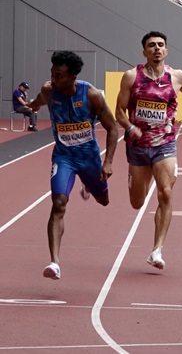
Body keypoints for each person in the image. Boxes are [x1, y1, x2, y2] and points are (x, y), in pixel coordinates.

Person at [115, 31, 182, 270]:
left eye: (160, 45)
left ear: (166, 51)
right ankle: (136, 181)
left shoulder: (177, 77)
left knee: (166, 194)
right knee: (137, 203)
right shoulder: (131, 77)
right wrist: (129, 128)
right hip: (138, 147)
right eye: (151, 45)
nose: (156, 48)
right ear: (144, 52)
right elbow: (118, 110)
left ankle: (157, 250)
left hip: (165, 144)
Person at [27, 51, 119, 280]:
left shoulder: (92, 95)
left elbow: (113, 128)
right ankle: (55, 263)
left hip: (89, 159)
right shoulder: (50, 90)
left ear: (72, 77)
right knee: (58, 203)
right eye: (52, 74)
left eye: (58, 75)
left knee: (104, 200)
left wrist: (108, 162)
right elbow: (40, 98)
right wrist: (34, 105)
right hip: (63, 157)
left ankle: (88, 186)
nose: (53, 79)